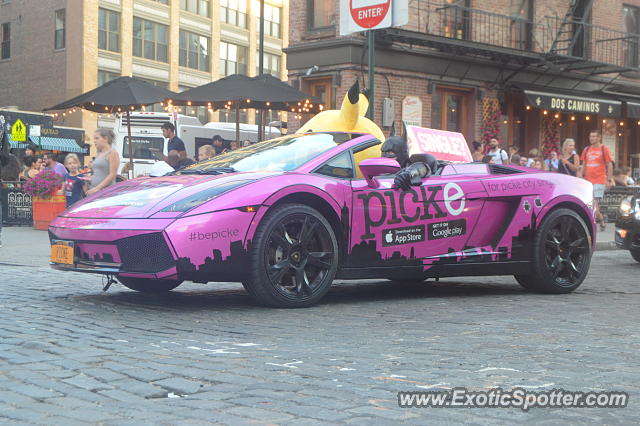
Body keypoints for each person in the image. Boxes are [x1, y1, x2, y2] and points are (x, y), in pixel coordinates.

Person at [579, 129, 613, 231]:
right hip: (587, 180)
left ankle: (593, 226)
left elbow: (609, 164)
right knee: (591, 204)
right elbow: (584, 164)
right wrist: (580, 176)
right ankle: (601, 221)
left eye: (594, 136)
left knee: (594, 204)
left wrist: (609, 179)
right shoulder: (586, 149)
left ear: (599, 138)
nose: (592, 138)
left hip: (599, 179)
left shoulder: (604, 149)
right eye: (591, 136)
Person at [87, 129, 120, 196]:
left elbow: (112, 175)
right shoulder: (99, 154)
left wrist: (97, 188)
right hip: (93, 189)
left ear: (105, 139)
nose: (94, 141)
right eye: (94, 139)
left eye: (97, 138)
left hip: (105, 192)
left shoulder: (112, 153)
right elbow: (99, 173)